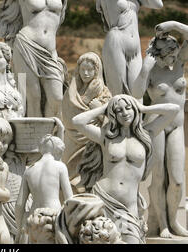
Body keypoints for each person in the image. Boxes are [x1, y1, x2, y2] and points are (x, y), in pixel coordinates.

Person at [0, 0, 91, 117]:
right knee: (33, 97)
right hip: (26, 45)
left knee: (56, 98)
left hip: (49, 51)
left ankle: (51, 137)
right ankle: (33, 140)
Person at [72, 94, 179, 243]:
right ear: (113, 114)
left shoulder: (147, 133)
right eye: (118, 110)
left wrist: (143, 108)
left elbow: (174, 109)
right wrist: (105, 107)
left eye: (128, 108)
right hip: (103, 199)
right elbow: (77, 122)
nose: (125, 113)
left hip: (129, 205)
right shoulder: (106, 136)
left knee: (132, 240)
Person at [132, 22, 188, 238]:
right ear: (159, 54)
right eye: (169, 56)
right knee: (159, 178)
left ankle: (174, 221)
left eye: (175, 55)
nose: (173, 59)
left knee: (177, 179)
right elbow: (137, 92)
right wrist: (145, 70)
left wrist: (172, 25)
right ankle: (162, 223)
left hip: (177, 125)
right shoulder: (152, 71)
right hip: (156, 123)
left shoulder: (180, 64)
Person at [96, 0, 163, 95]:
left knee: (136, 91)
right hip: (116, 40)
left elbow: (157, 4)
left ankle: (136, 117)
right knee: (118, 90)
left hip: (135, 44)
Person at [62, 52, 111, 192]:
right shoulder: (72, 90)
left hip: (92, 141)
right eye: (82, 69)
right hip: (71, 139)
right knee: (68, 176)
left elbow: (110, 121)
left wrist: (99, 111)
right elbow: (68, 115)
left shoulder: (104, 92)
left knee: (90, 178)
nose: (86, 73)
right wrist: (87, 97)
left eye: (90, 70)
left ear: (97, 70)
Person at [15, 128, 73, 243]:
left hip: (33, 219)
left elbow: (19, 205)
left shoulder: (29, 170)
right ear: (57, 150)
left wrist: (20, 228)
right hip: (53, 217)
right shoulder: (60, 167)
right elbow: (69, 199)